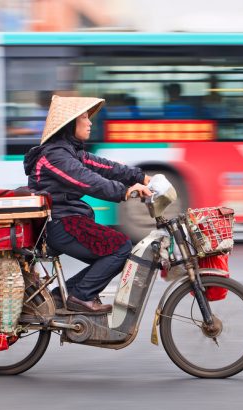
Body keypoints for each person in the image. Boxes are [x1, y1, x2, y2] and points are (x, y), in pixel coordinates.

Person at [23, 95, 152, 313]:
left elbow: (106, 167)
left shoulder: (71, 152)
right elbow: (86, 180)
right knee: (120, 247)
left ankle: (61, 297)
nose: (90, 122)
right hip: (61, 224)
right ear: (70, 123)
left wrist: (140, 177)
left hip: (70, 220)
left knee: (115, 250)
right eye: (84, 117)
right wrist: (125, 191)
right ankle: (80, 296)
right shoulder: (54, 155)